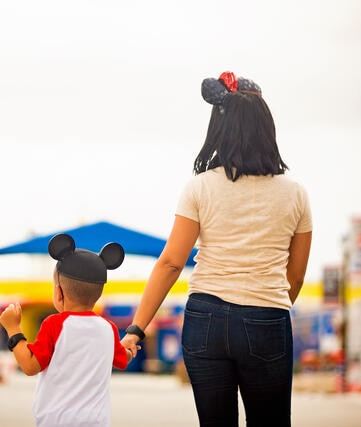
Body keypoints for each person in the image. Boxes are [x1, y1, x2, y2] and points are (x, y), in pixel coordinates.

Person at [121, 70, 312, 427]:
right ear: (266, 127)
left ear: (219, 128)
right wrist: (265, 309)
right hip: (266, 316)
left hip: (205, 318)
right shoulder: (296, 194)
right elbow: (296, 276)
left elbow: (171, 264)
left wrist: (137, 328)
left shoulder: (199, 188)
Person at [0, 233, 134, 427]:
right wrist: (129, 349)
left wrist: (13, 329)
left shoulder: (54, 324)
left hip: (56, 420)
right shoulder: (108, 328)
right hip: (96, 421)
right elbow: (121, 359)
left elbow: (30, 366)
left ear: (58, 293)